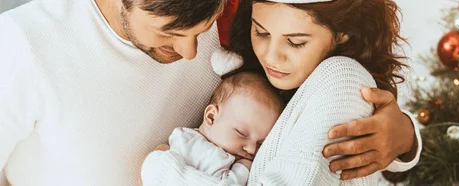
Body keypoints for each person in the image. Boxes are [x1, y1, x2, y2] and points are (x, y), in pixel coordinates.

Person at [0, 0, 418, 185]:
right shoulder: (22, 45)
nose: (190, 52)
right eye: (170, 34)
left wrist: (404, 136)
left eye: (200, 32)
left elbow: (299, 120)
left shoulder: (233, 23)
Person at [143, 0, 423, 185]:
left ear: (342, 34)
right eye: (261, 32)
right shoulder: (241, 74)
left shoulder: (344, 79)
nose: (272, 56)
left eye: (295, 42)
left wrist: (407, 137)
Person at [140, 72, 283, 186]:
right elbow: (155, 169)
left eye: (260, 144)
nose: (251, 150)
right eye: (241, 133)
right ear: (211, 117)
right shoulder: (183, 140)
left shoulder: (236, 166)